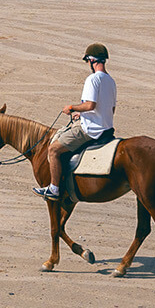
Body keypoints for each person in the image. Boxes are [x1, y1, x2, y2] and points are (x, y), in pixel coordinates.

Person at [34, 43, 117, 200]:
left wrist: (72, 108)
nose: (88, 65)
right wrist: (83, 115)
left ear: (92, 60)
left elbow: (90, 105)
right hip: (107, 128)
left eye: (87, 61)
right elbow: (109, 109)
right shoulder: (110, 81)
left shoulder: (93, 79)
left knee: (53, 149)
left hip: (91, 130)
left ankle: (54, 189)